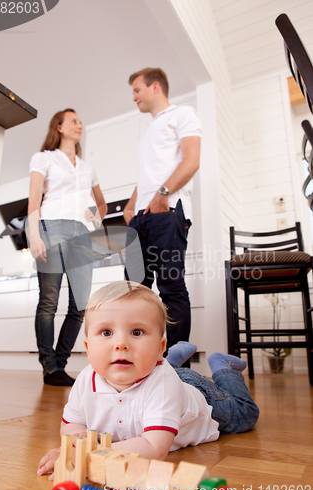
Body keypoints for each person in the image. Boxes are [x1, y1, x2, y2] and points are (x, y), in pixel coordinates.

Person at [37, 281, 259, 479]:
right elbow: (70, 424)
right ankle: (173, 359)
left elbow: (154, 448)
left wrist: (86, 455)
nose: (120, 344)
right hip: (159, 375)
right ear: (87, 348)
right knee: (152, 368)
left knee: (246, 414)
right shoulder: (86, 380)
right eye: (106, 332)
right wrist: (75, 442)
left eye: (136, 332)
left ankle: (222, 366)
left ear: (159, 346)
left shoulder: (163, 385)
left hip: (203, 398)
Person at [123, 68, 201, 356]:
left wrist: (162, 195)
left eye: (137, 90)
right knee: (132, 291)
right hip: (143, 216)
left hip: (167, 213)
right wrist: (132, 204)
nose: (134, 97)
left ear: (155, 87)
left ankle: (177, 370)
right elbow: (148, 175)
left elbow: (192, 160)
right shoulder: (149, 131)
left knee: (170, 288)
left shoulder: (183, 114)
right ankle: (139, 359)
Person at [27, 108, 107, 387]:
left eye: (81, 122)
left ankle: (60, 364)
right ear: (59, 127)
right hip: (51, 228)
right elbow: (34, 202)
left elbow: (102, 203)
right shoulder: (44, 158)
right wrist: (34, 236)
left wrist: (95, 218)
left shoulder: (87, 167)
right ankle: (49, 367)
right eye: (73, 121)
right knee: (49, 300)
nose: (79, 125)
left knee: (81, 305)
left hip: (81, 235)